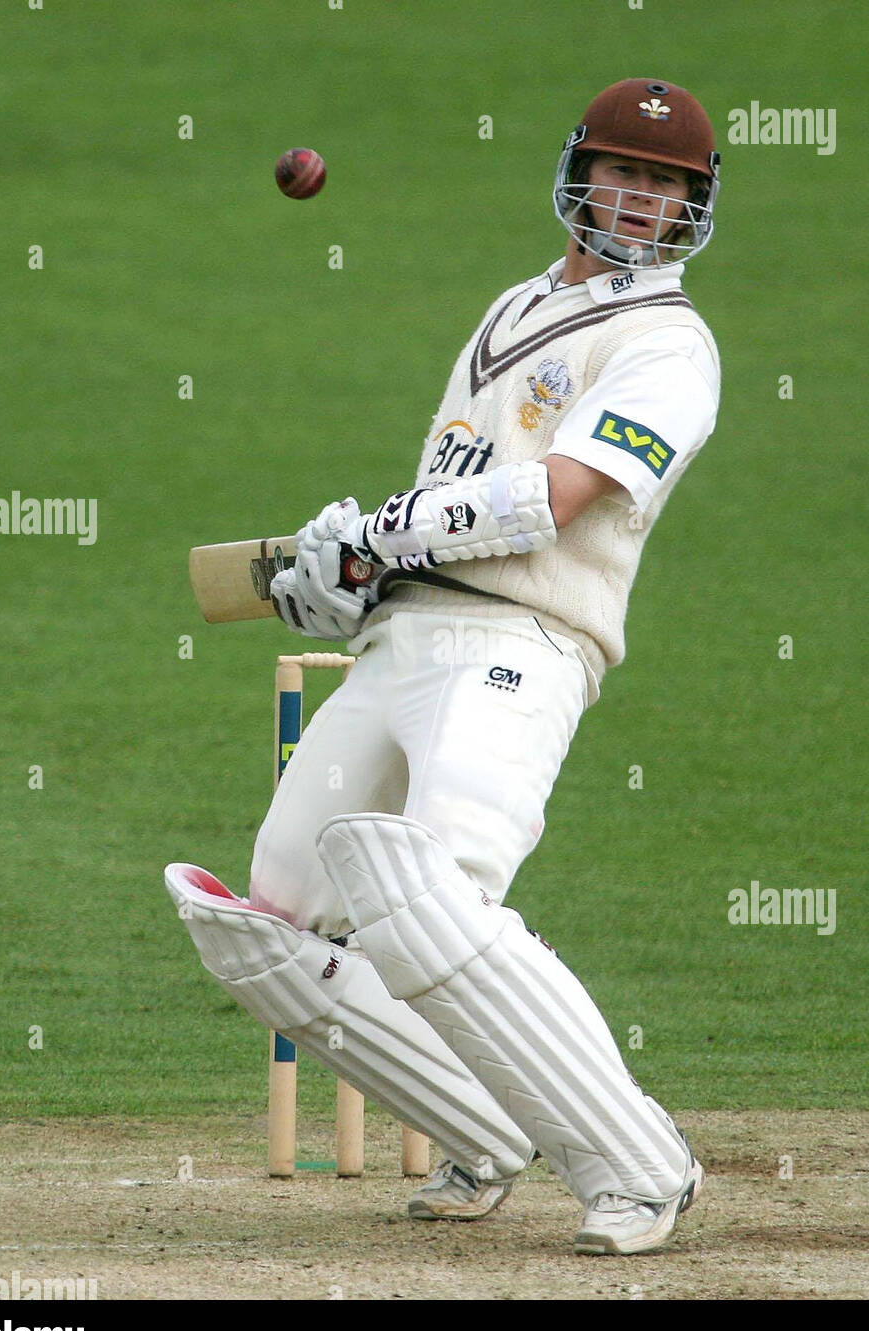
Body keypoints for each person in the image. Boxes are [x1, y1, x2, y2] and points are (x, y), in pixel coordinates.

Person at [166, 78, 721, 1256]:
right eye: (625, 170)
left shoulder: (671, 345)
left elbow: (559, 497)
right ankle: (482, 1133)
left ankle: (639, 1166)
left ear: (693, 208)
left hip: (523, 642)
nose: (641, 198)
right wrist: (356, 572)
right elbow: (455, 487)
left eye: (667, 184)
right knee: (270, 916)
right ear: (580, 173)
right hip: (406, 638)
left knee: (431, 895)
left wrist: (391, 528)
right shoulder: (516, 305)